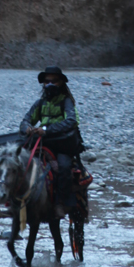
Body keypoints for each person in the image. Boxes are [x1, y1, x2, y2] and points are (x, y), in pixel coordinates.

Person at [20, 65, 83, 218]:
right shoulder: (40, 103)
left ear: (61, 83)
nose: (49, 84)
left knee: (64, 167)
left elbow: (71, 121)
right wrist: (28, 128)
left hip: (62, 144)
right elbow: (25, 120)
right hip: (42, 142)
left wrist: (48, 130)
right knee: (20, 164)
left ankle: (61, 203)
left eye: (54, 81)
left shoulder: (67, 102)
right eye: (47, 81)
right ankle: (17, 199)